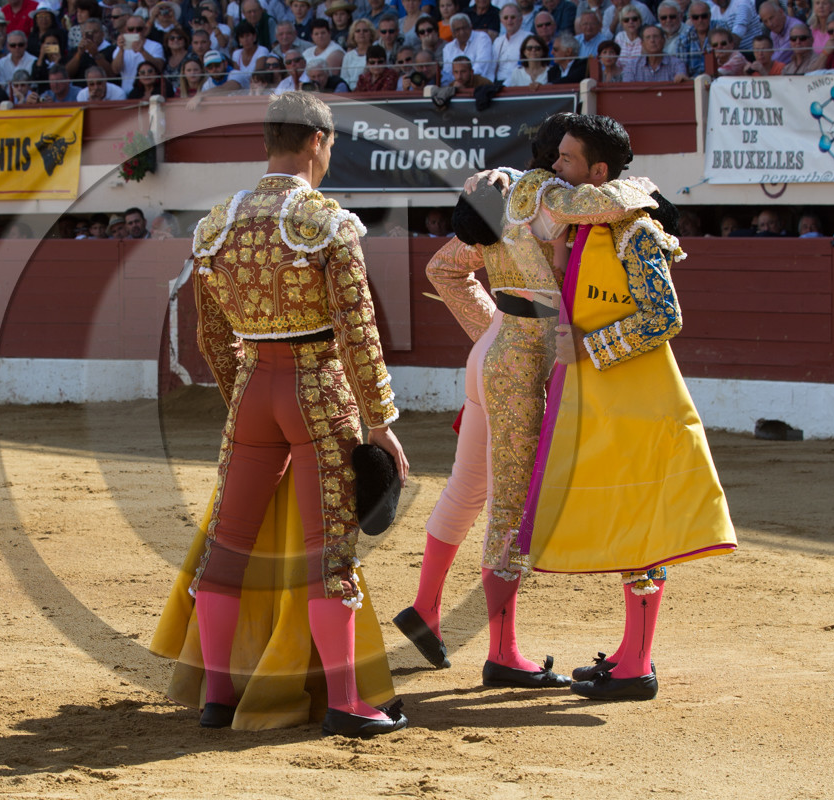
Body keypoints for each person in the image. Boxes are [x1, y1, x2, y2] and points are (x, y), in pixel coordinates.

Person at [151, 91, 408, 738]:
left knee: (226, 549)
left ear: (268, 142)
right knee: (329, 555)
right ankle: (346, 702)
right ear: (318, 141)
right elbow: (358, 330)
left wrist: (243, 399)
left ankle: (217, 697)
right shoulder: (329, 222)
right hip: (317, 388)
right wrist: (380, 421)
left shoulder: (216, 225)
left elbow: (213, 337)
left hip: (252, 392)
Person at [395, 112, 658, 687]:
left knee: (470, 488)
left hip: (496, 352)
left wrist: (491, 330)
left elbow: (443, 269)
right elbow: (608, 203)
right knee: (509, 507)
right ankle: (502, 652)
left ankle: (427, 609)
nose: (563, 165)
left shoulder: (504, 197)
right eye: (562, 155)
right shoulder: (557, 199)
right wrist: (647, 189)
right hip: (527, 360)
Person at [528, 114, 736, 701]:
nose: (555, 168)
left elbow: (664, 317)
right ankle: (629, 652)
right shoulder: (586, 227)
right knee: (628, 522)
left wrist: (589, 347)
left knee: (641, 527)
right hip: (608, 402)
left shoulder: (636, 232)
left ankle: (637, 667)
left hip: (641, 402)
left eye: (566, 159)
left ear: (598, 172)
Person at [440, 13, 492, 86]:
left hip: (481, 84)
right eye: (457, 29)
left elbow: (481, 67)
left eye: (464, 28)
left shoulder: (482, 38)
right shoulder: (448, 48)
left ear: (471, 27)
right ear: (453, 33)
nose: (462, 32)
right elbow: (448, 73)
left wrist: (461, 80)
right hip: (457, 85)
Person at [490, 4, 527, 81]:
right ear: (501, 21)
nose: (509, 20)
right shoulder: (498, 41)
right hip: (499, 82)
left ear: (520, 20)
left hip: (520, 82)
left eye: (513, 17)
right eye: (506, 18)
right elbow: (493, 67)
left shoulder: (528, 38)